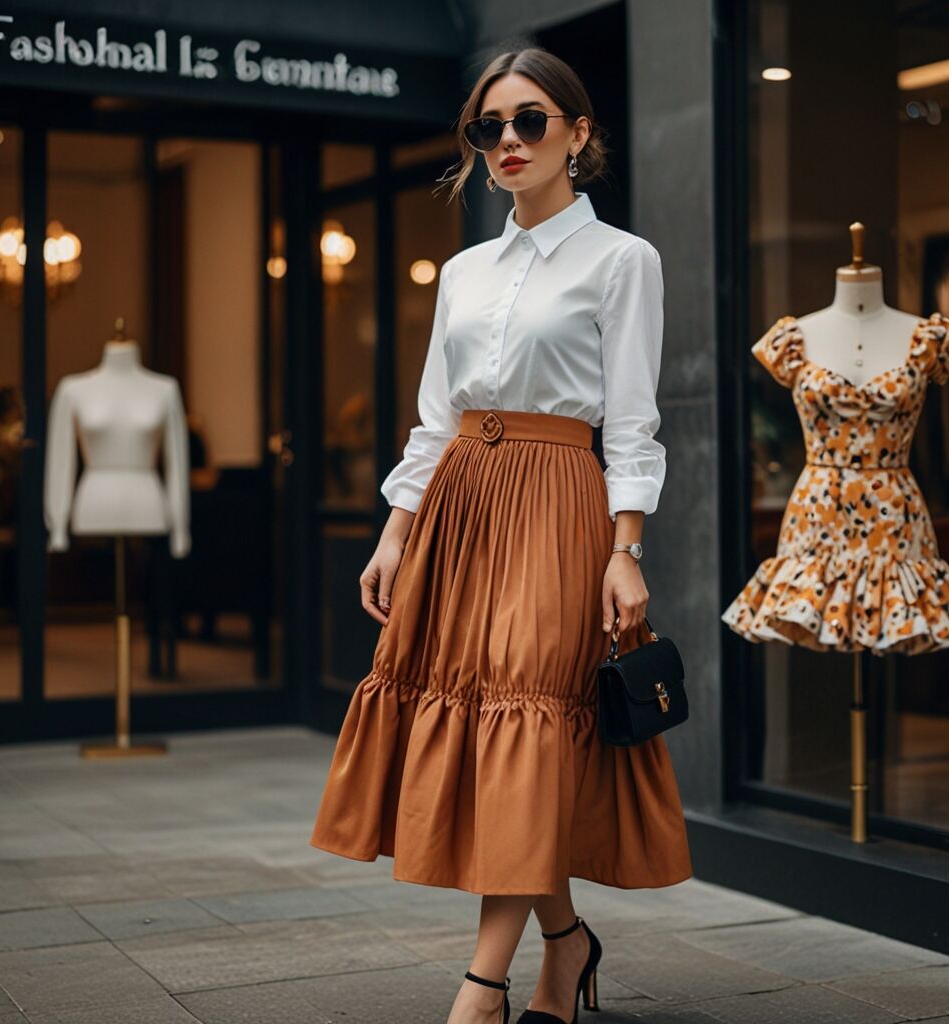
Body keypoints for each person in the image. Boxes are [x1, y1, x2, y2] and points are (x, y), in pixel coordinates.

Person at [309, 45, 692, 1024]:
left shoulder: (622, 261)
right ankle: (565, 946)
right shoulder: (467, 270)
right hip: (461, 504)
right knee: (492, 726)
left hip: (560, 498)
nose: (509, 141)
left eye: (530, 121)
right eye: (490, 127)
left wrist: (625, 547)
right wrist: (397, 532)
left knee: (528, 711)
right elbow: (435, 415)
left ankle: (480, 987)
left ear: (579, 132)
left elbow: (635, 419)